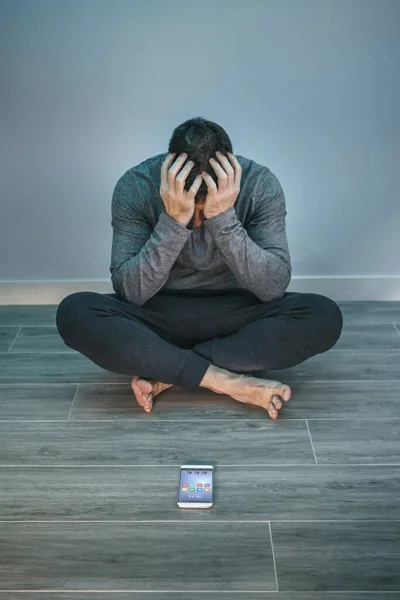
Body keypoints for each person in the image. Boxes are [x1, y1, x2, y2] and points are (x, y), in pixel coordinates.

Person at [56, 117, 343, 420]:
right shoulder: (135, 186)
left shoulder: (260, 184)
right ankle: (227, 380)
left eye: (204, 208)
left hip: (238, 312)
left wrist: (223, 217)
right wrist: (173, 221)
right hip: (157, 314)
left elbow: (272, 288)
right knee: (75, 312)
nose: (197, 220)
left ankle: (170, 370)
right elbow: (131, 293)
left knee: (323, 315)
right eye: (193, 207)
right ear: (169, 174)